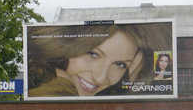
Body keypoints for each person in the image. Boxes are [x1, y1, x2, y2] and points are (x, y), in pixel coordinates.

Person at [26, 23, 172, 97]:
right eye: (93, 54)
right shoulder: (45, 91)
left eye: (120, 65)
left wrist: (134, 81)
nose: (100, 78)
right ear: (64, 47)